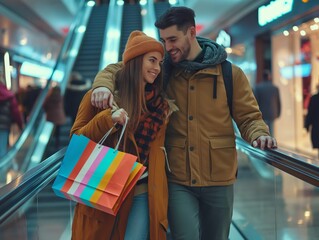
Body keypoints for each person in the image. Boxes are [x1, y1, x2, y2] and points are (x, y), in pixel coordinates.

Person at [90, 7, 278, 240]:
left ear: (191, 32)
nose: (167, 47)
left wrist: (259, 133)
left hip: (218, 176)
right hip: (177, 177)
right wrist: (102, 85)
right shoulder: (163, 70)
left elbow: (249, 116)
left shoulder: (229, 74)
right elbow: (120, 68)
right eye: (163, 40)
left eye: (172, 39)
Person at [70, 30, 177, 240]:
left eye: (160, 62)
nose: (157, 68)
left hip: (143, 192)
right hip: (103, 188)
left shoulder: (161, 107)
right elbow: (76, 141)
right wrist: (108, 120)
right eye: (152, 60)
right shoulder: (101, 98)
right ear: (136, 61)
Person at [0, 77, 24, 158]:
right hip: (3, 128)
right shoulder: (9, 96)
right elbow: (16, 113)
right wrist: (21, 125)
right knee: (1, 151)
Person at [254, 70, 281, 135]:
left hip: (262, 113)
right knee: (271, 130)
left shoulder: (258, 88)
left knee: (264, 131)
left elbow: (256, 102)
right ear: (269, 77)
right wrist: (278, 113)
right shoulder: (274, 88)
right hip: (272, 113)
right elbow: (278, 102)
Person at [305, 84, 319, 157]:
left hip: (317, 126)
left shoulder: (314, 98)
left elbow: (310, 113)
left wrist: (307, 125)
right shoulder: (313, 98)